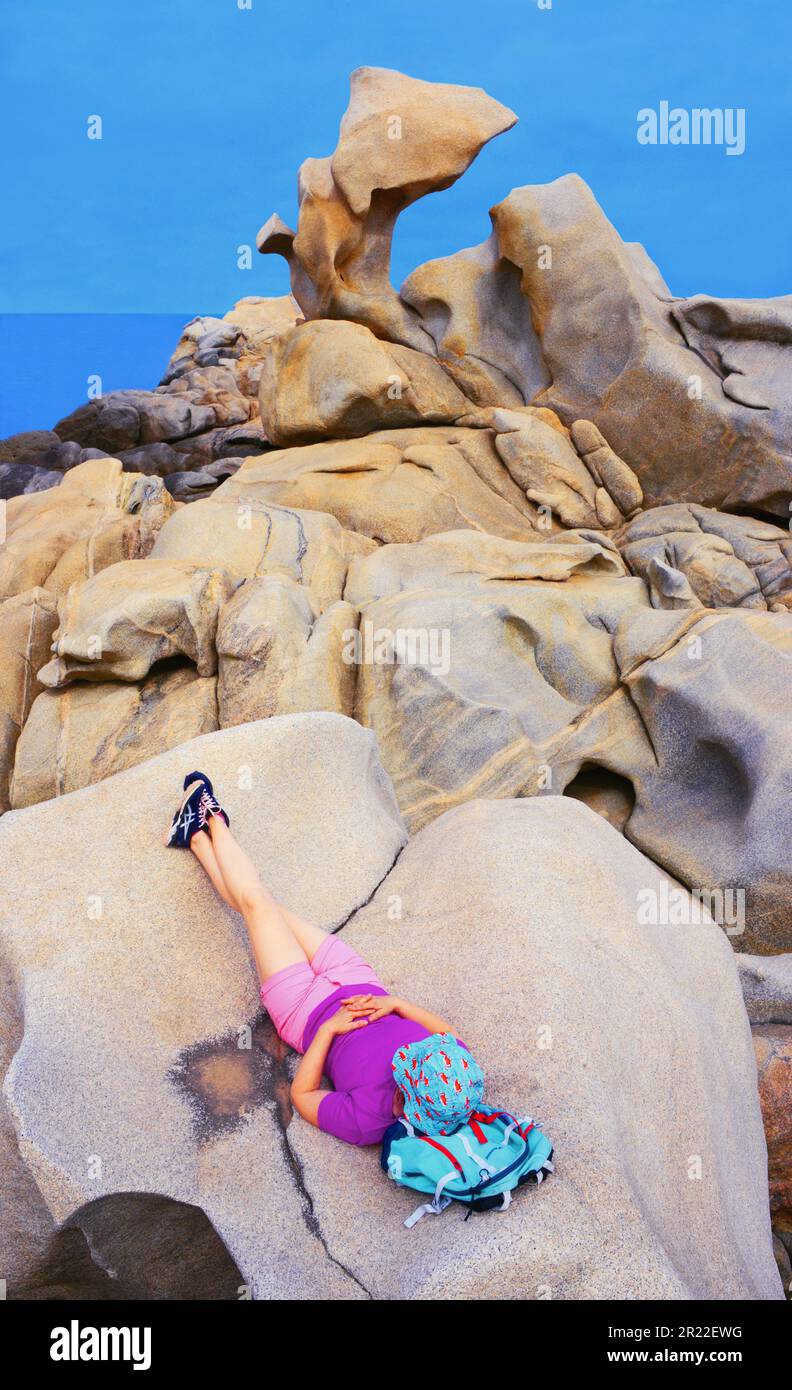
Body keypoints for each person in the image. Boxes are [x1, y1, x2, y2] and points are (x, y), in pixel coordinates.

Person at [165, 773, 484, 1146]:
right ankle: (196, 837)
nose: (405, 1059)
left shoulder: (369, 1122)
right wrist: (394, 1003)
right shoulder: (457, 1075)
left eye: (404, 1073)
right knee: (266, 907)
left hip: (304, 1009)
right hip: (354, 978)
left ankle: (212, 817)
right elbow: (450, 1035)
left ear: (407, 1108)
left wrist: (331, 1029)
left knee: (256, 903)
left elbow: (303, 1097)